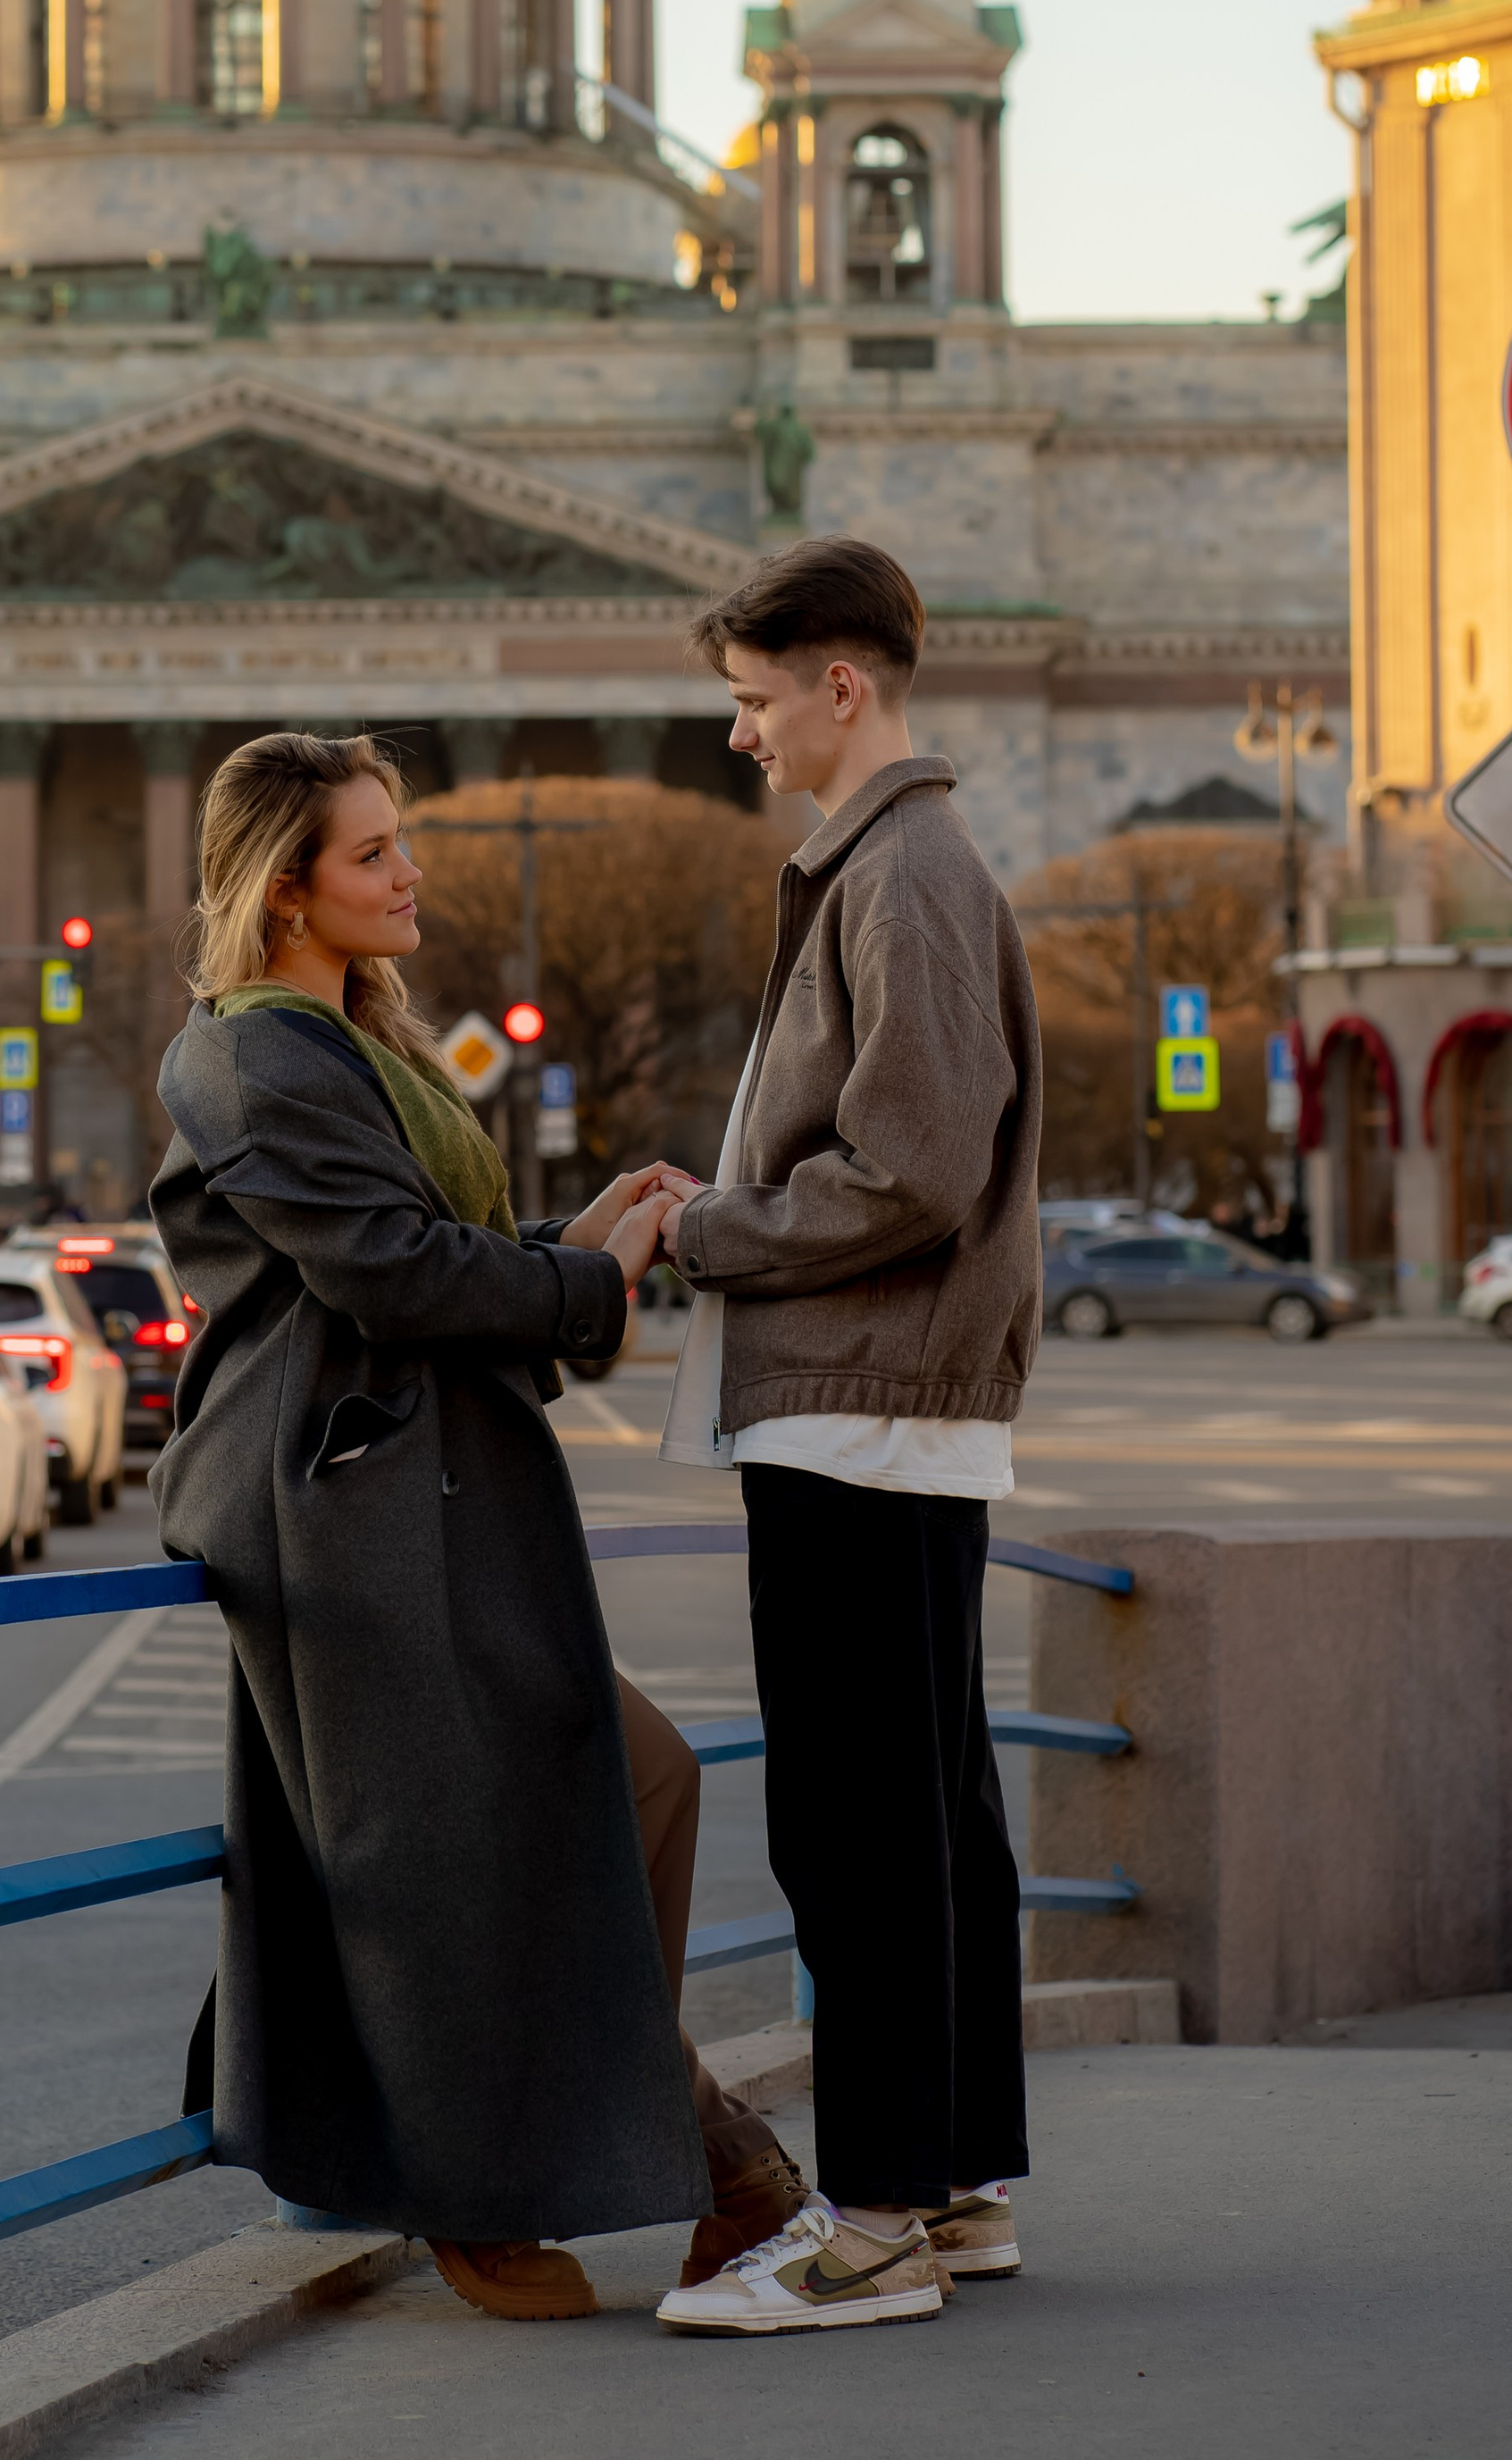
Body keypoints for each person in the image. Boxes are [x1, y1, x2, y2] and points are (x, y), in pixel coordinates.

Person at [148, 730, 804, 2322]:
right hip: (343, 1517)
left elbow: (427, 1250)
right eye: (373, 853)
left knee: (619, 1784)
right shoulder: (250, 1055)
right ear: (285, 894)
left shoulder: (353, 1043)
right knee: (435, 1873)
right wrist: (590, 1283)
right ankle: (521, 2193)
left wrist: (574, 1245)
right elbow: (389, 1275)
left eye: (401, 840)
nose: (408, 870)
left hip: (423, 1490)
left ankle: (656, 2146)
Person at [651, 537, 1042, 2339]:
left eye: (748, 700)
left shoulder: (897, 874)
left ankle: (872, 2219)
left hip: (858, 1402)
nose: (737, 738)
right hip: (886, 1406)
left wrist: (706, 1227)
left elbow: (907, 1167)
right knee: (927, 1809)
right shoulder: (892, 863)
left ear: (837, 684)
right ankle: (945, 2187)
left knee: (860, 1824)